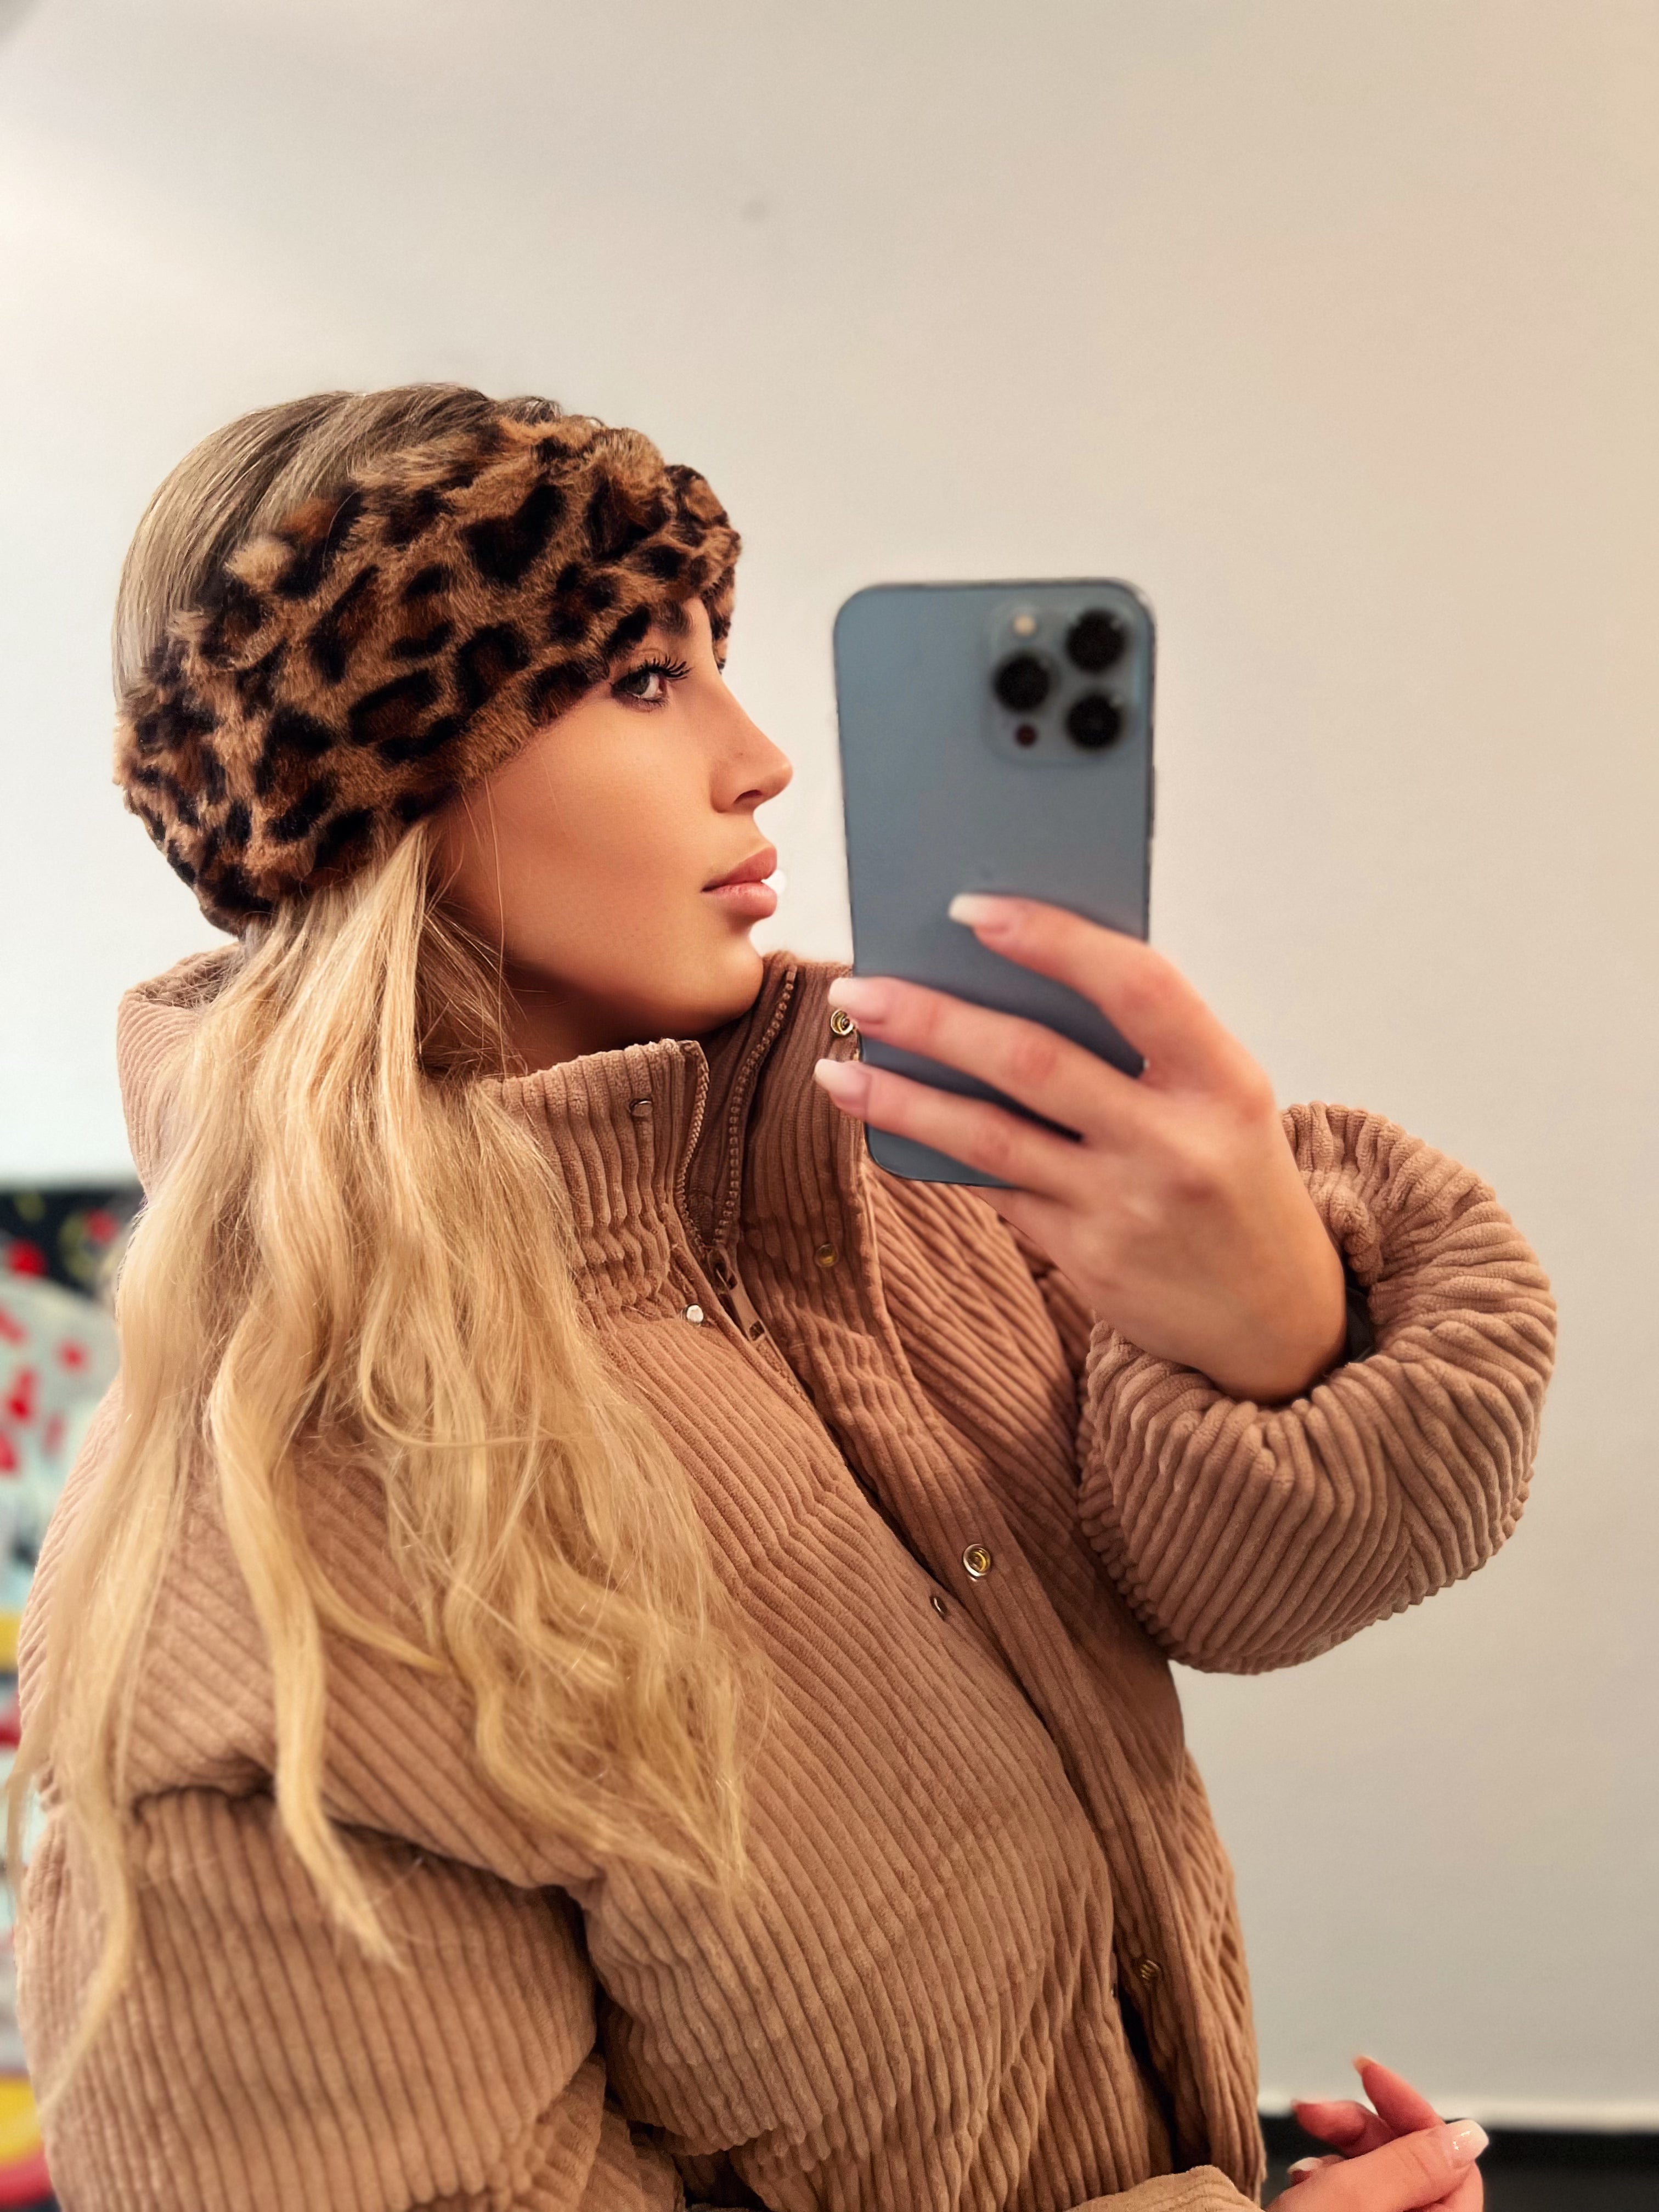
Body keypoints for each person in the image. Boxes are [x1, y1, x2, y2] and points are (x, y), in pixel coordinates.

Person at [10, 385, 1554, 2212]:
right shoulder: (261, 1557)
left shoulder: (857, 1174)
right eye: (644, 678)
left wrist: (1274, 1311)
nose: (759, 761)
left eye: (717, 664)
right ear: (380, 780)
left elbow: (1268, 1581)